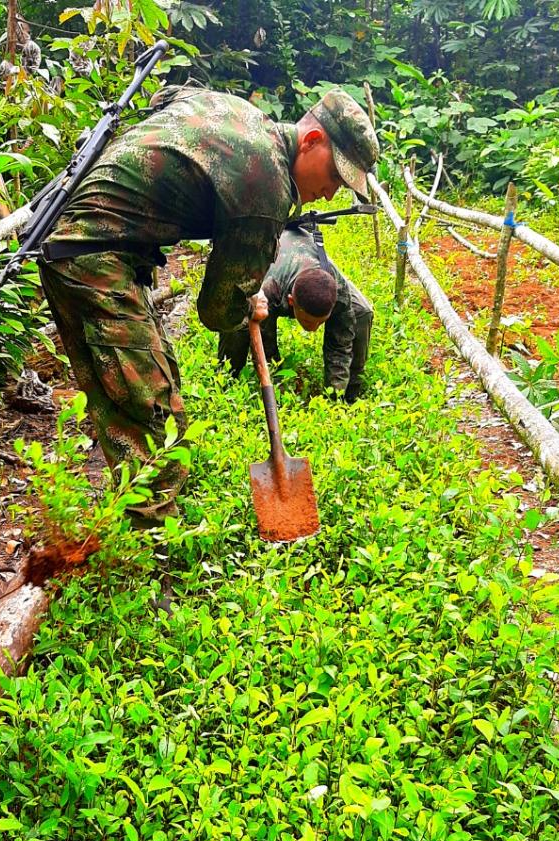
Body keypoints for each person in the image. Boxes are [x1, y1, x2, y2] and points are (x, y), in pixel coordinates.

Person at [38, 85, 379, 528]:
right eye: (334, 176)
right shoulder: (267, 182)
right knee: (152, 413)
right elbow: (216, 312)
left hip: (108, 249)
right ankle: (147, 559)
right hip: (92, 257)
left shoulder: (246, 117)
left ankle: (140, 510)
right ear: (312, 141)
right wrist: (246, 306)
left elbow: (171, 96)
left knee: (156, 381)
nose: (331, 194)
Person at [218, 225, 374, 403]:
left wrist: (334, 398)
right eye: (308, 321)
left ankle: (351, 395)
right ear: (291, 302)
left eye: (320, 322)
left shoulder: (340, 293)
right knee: (239, 320)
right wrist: (280, 392)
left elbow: (339, 347)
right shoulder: (271, 290)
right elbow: (265, 347)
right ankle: (226, 382)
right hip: (278, 258)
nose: (314, 329)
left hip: (311, 261)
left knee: (362, 313)